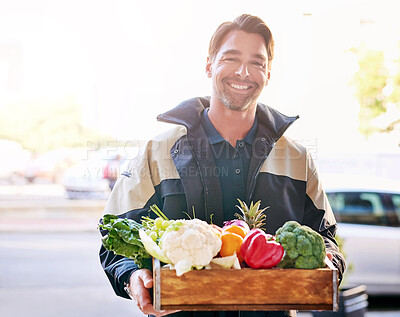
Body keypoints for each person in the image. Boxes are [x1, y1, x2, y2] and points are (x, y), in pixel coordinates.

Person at [99, 14, 346, 317]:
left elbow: (326, 239)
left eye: (257, 62)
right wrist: (133, 277)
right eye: (231, 58)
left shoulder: (297, 158)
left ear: (268, 73)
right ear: (209, 65)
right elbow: (115, 236)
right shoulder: (157, 152)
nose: (244, 72)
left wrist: (328, 264)